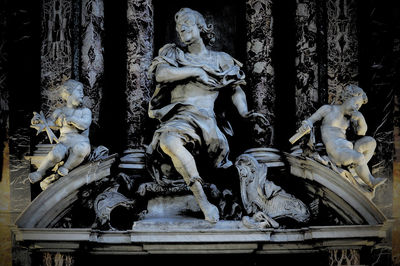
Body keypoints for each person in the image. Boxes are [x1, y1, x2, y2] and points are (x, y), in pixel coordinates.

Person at [147, 8, 267, 223]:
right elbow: (161, 74)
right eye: (177, 25)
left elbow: (235, 88)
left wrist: (244, 112)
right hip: (178, 118)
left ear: (201, 27)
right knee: (168, 141)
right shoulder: (173, 54)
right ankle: (202, 200)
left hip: (208, 125)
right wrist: (196, 71)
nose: (180, 27)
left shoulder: (221, 60)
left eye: (186, 22)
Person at [298, 84, 386, 189]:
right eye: (356, 103)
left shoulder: (350, 118)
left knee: (370, 142)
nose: (357, 107)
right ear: (347, 98)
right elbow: (311, 120)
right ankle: (371, 181)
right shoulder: (328, 109)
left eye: (359, 106)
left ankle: (356, 167)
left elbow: (361, 133)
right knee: (358, 157)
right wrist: (305, 125)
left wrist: (361, 120)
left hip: (347, 146)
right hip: (335, 148)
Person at [29, 79, 92, 184]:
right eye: (79, 91)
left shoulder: (85, 111)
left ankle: (66, 167)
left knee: (81, 149)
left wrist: (72, 119)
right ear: (69, 93)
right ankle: (40, 172)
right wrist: (38, 121)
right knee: (56, 153)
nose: (82, 94)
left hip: (80, 143)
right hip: (64, 143)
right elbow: (49, 124)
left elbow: (85, 124)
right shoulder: (59, 111)